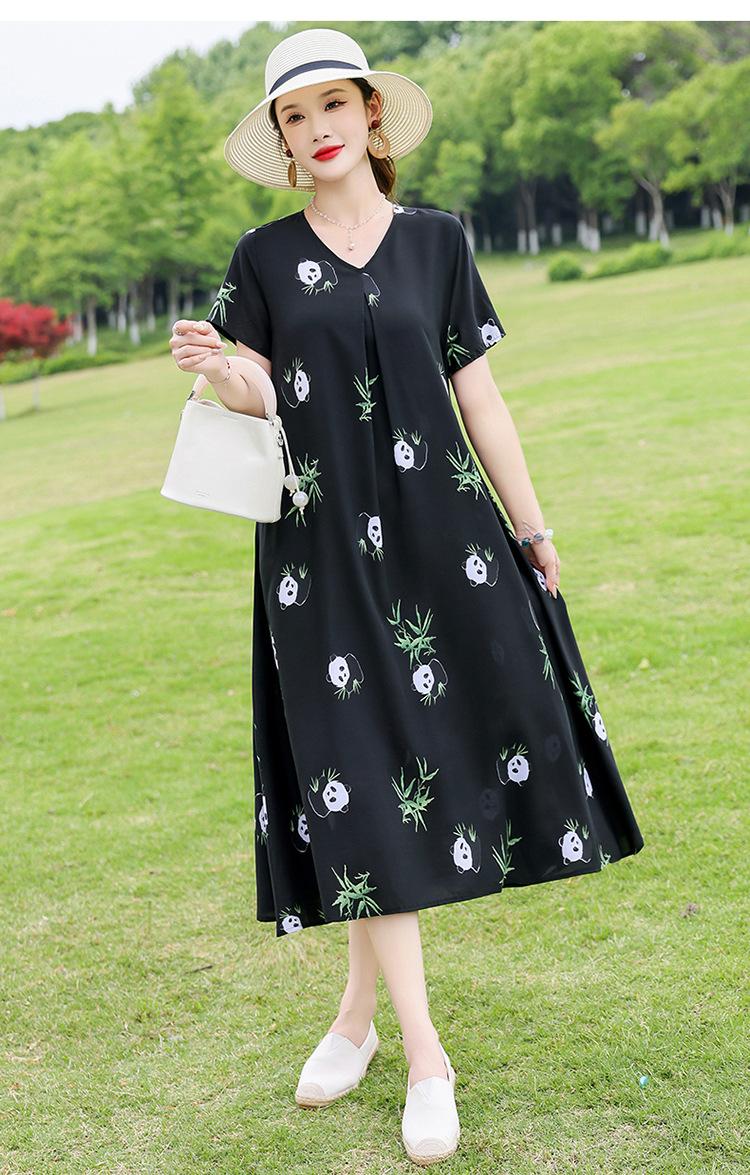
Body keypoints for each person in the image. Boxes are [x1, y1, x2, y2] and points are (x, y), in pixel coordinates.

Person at [169, 27, 644, 1167]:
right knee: (359, 774)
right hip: (320, 554)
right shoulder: (262, 258)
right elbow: (262, 391)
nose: (317, 128)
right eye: (295, 116)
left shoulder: (440, 241)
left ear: (371, 115)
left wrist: (531, 526)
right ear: (284, 142)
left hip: (444, 540)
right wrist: (224, 371)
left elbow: (481, 397)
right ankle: (427, 1056)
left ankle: (355, 1018)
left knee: (400, 773)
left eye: (334, 105)